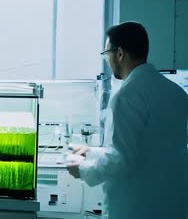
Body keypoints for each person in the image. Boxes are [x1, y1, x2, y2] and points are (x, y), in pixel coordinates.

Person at [66, 21, 188, 219]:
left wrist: (83, 169)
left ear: (120, 53)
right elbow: (149, 148)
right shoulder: (175, 92)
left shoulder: (128, 96)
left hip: (137, 207)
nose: (107, 60)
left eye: (107, 54)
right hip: (172, 205)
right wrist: (92, 152)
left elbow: (121, 160)